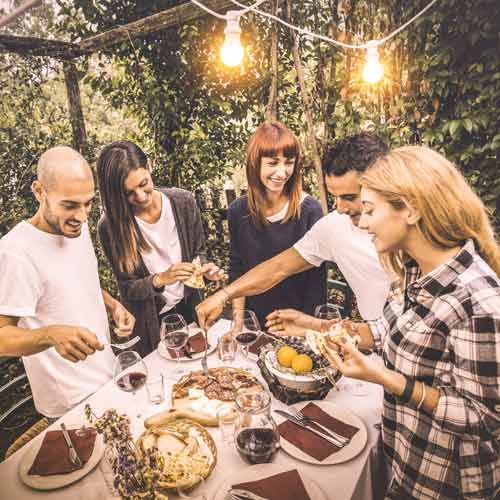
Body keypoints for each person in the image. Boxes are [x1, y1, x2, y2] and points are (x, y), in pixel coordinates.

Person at [323, 146, 500, 499]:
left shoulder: (479, 303)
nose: (362, 222)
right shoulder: (414, 271)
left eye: (370, 210)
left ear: (413, 209)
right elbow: (388, 332)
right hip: (407, 464)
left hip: (447, 485)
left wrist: (384, 378)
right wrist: (340, 335)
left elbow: (486, 419)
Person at [197, 132, 391, 332]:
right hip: (379, 341)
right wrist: (222, 296)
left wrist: (311, 325)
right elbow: (278, 267)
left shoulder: (409, 233)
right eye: (335, 197)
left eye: (350, 197)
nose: (340, 208)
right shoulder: (334, 227)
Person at [0, 146, 135, 419]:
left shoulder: (76, 227)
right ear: (39, 191)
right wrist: (50, 334)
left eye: (88, 203)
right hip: (70, 405)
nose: (82, 216)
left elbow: (75, 282)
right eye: (70, 205)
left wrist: (113, 306)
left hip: (109, 378)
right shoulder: (15, 253)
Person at [97, 141, 225, 357]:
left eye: (143, 183)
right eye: (129, 193)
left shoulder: (184, 202)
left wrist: (205, 269)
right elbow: (127, 288)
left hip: (191, 311)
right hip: (149, 325)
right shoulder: (110, 227)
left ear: (149, 166)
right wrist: (160, 279)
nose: (141, 196)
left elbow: (198, 253)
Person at [226, 121, 326, 327]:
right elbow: (237, 269)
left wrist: (306, 328)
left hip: (296, 323)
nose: (282, 172)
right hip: (253, 322)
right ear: (255, 163)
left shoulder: (310, 210)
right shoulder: (237, 211)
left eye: (288, 162)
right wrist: (238, 323)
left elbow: (317, 284)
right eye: (273, 163)